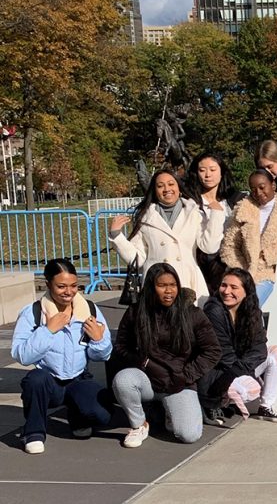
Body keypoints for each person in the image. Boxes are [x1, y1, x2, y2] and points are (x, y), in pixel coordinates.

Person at [112, 263, 221, 447]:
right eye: (162, 285)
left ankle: (167, 412)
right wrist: (144, 363)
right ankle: (139, 425)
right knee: (123, 380)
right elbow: (121, 346)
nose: (168, 291)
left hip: (178, 382)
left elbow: (212, 350)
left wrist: (186, 375)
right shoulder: (136, 312)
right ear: (151, 287)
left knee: (189, 435)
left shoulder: (192, 314)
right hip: (147, 380)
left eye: (173, 285)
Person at [11, 260, 113, 454]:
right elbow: (21, 355)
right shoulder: (33, 313)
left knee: (103, 415)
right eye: (61, 286)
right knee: (35, 380)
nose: (69, 292)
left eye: (74, 286)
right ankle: (33, 433)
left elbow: (103, 355)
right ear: (48, 284)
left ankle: (78, 415)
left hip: (79, 379)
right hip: (49, 382)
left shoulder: (89, 310)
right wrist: (48, 331)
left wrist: (99, 340)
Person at [108, 168, 223, 303]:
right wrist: (116, 235)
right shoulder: (145, 217)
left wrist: (216, 215)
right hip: (157, 286)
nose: (166, 189)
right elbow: (137, 259)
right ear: (154, 191)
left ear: (179, 187)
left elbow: (209, 247)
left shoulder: (194, 212)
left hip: (188, 282)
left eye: (171, 184)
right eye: (160, 186)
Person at [198, 268, 277, 426]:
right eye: (224, 285)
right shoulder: (214, 310)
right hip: (218, 370)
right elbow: (224, 354)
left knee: (276, 354)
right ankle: (217, 401)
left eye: (234, 287)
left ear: (246, 291)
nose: (226, 291)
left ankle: (265, 407)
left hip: (239, 366)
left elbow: (259, 348)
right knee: (250, 389)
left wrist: (246, 371)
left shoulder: (252, 310)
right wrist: (243, 374)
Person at [221, 169, 277, 308]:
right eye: (253, 189)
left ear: (273, 185)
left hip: (271, 273)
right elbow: (228, 247)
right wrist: (243, 271)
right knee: (221, 306)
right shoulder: (242, 209)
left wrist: (268, 254)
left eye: (262, 187)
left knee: (249, 305)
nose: (258, 193)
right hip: (242, 274)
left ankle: (254, 329)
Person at [184, 151, 244, 294]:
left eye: (212, 169)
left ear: (221, 172)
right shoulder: (191, 202)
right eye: (202, 170)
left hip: (235, 264)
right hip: (206, 266)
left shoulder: (235, 199)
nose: (207, 175)